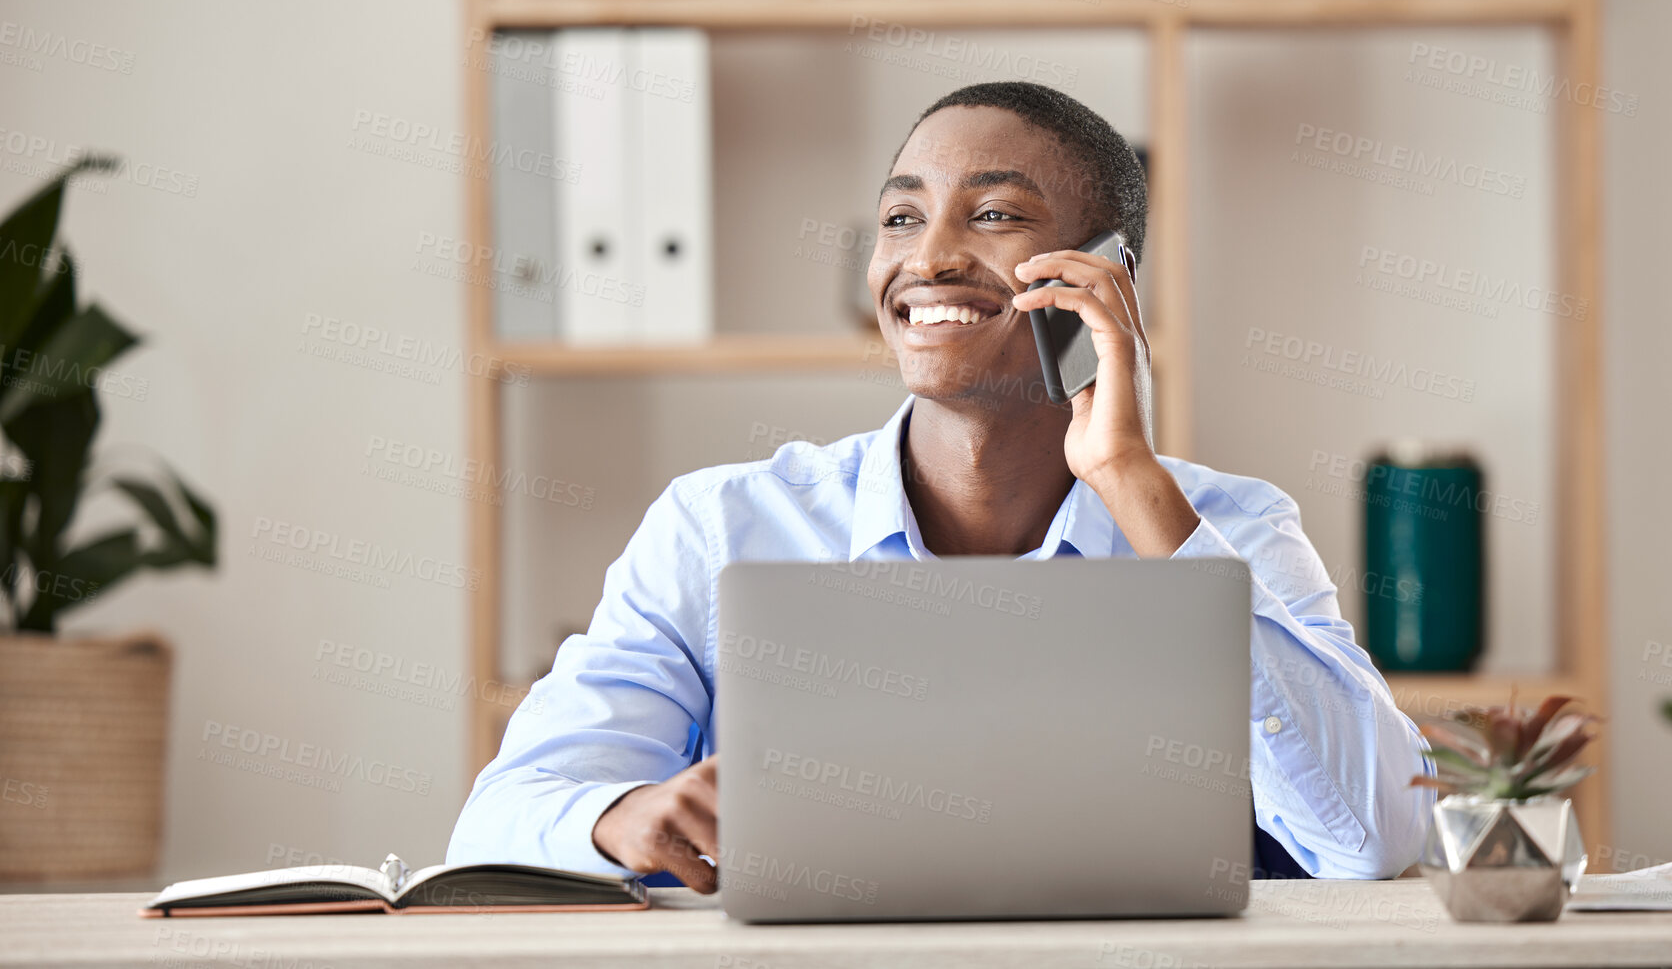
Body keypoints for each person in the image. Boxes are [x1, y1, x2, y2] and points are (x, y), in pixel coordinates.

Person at [447, 81, 1433, 888]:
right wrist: (617, 813)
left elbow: (1379, 837)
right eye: (899, 216)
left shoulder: (1221, 527)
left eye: (994, 213)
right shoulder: (722, 523)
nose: (928, 257)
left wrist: (1131, 480)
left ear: (1106, 270)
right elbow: (495, 822)